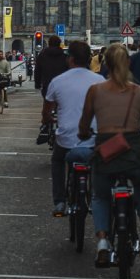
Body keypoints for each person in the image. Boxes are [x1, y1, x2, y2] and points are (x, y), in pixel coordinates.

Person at [78, 43, 140, 267]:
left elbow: (84, 124)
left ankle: (101, 241)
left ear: (105, 65)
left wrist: (84, 132)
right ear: (128, 63)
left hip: (106, 150)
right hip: (134, 150)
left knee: (100, 196)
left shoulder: (95, 91)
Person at [42, 41, 106, 217]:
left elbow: (46, 112)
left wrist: (48, 120)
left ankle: (60, 201)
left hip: (66, 139)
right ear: (88, 60)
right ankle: (95, 196)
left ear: (70, 59)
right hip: (92, 138)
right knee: (97, 161)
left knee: (57, 161)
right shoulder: (100, 80)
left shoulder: (58, 81)